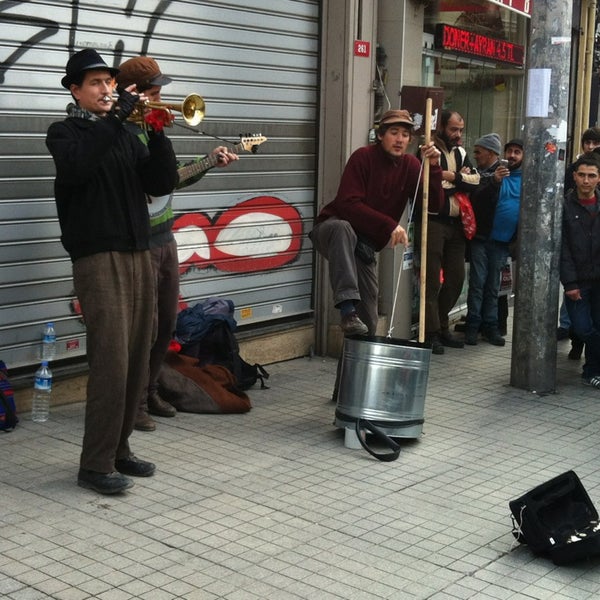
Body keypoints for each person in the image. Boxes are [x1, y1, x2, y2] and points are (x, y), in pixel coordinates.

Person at [46, 49, 178, 494]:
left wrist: (157, 133)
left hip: (140, 252)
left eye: (110, 82)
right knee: (111, 362)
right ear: (75, 90)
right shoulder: (64, 133)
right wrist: (118, 118)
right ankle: (94, 463)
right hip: (98, 258)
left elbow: (161, 184)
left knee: (137, 356)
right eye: (96, 84)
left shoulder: (125, 134)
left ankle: (120, 450)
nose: (107, 90)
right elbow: (80, 166)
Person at [116, 56, 239, 432]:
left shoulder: (153, 128)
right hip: (138, 241)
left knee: (166, 323)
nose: (159, 98)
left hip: (165, 235)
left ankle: (150, 389)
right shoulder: (121, 130)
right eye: (152, 91)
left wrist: (207, 162)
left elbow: (167, 181)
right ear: (131, 92)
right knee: (145, 326)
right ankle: (133, 403)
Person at [309, 109, 444, 337]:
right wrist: (389, 224)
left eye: (405, 134)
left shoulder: (411, 165)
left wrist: (435, 166)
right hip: (332, 229)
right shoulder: (363, 157)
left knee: (368, 324)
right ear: (381, 135)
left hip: (365, 245)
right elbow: (347, 204)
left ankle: (355, 367)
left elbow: (433, 206)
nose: (400, 139)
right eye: (393, 132)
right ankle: (347, 310)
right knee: (344, 229)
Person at [423, 110, 480, 354]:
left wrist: (452, 177)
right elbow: (432, 184)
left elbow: (476, 180)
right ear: (442, 127)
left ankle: (442, 324)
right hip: (434, 222)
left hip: (457, 225)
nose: (458, 134)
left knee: (456, 279)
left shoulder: (461, 152)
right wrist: (458, 179)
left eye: (460, 129)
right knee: (432, 280)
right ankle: (432, 332)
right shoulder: (428, 150)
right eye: (453, 129)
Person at [465, 134, 522, 346]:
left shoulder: (524, 178)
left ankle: (491, 326)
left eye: (517, 152)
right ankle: (473, 325)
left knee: (493, 287)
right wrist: (495, 181)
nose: (512, 156)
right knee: (478, 283)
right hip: (482, 238)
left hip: (502, 241)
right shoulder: (489, 175)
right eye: (510, 152)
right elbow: (478, 200)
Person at [560, 154, 600, 388]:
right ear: (574, 177)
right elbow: (563, 249)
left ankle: (592, 370)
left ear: (598, 179)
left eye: (591, 176)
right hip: (578, 281)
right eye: (582, 175)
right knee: (584, 328)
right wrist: (571, 284)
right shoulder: (564, 207)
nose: (586, 180)